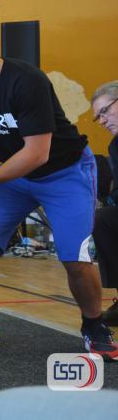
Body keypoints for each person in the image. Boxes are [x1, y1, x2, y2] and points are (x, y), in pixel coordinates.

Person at [0, 10, 116, 362]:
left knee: (74, 256)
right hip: (14, 174)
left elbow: (36, 153)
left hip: (64, 172)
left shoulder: (26, 80)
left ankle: (94, 326)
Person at [91, 80, 118, 326]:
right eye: (98, 116)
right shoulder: (115, 145)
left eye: (104, 111)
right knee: (103, 219)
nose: (102, 121)